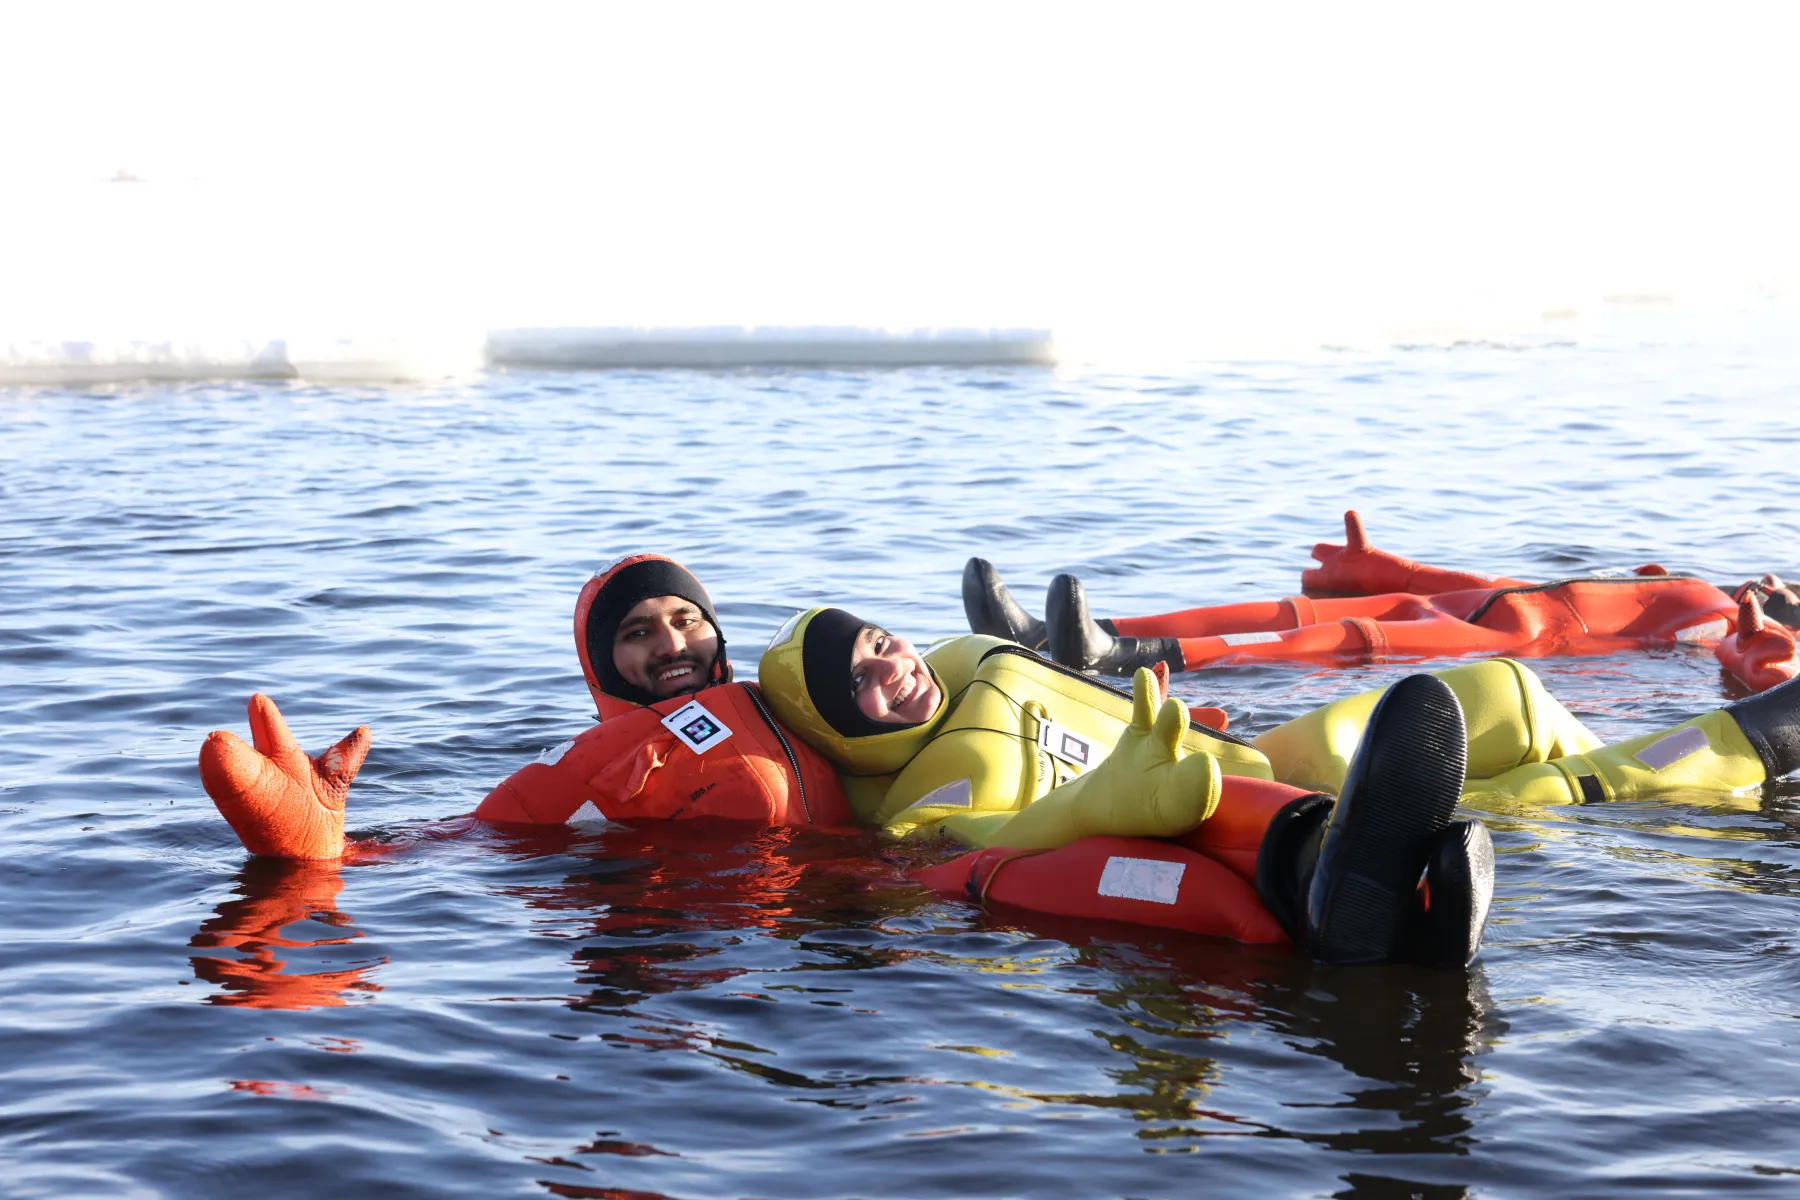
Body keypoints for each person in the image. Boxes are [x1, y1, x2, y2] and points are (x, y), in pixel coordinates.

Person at [755, 606, 1800, 964]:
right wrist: (1100, 803)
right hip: (1213, 809)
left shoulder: (969, 658)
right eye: (857, 684)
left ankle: (1688, 791)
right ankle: (1741, 753)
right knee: (1536, 797)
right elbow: (985, 838)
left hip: (1254, 757)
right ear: (835, 727)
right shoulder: (918, 795)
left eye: (881, 645)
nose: (890, 670)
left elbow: (1075, 690)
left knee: (1498, 690)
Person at [201, 554, 851, 861]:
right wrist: (320, 850)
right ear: (600, 663)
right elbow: (467, 841)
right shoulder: (582, 773)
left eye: (686, 620)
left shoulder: (795, 703)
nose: (673, 644)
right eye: (638, 632)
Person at [963, 511, 1800, 692]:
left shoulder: (1726, 619)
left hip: (1513, 643)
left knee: (1338, 641)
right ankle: (1070, 633)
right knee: (1283, 612)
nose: (1777, 585)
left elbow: (1750, 674)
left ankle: (1115, 661)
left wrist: (1755, 648)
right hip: (1471, 603)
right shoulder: (1692, 580)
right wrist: (1388, 566)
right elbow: (1518, 584)